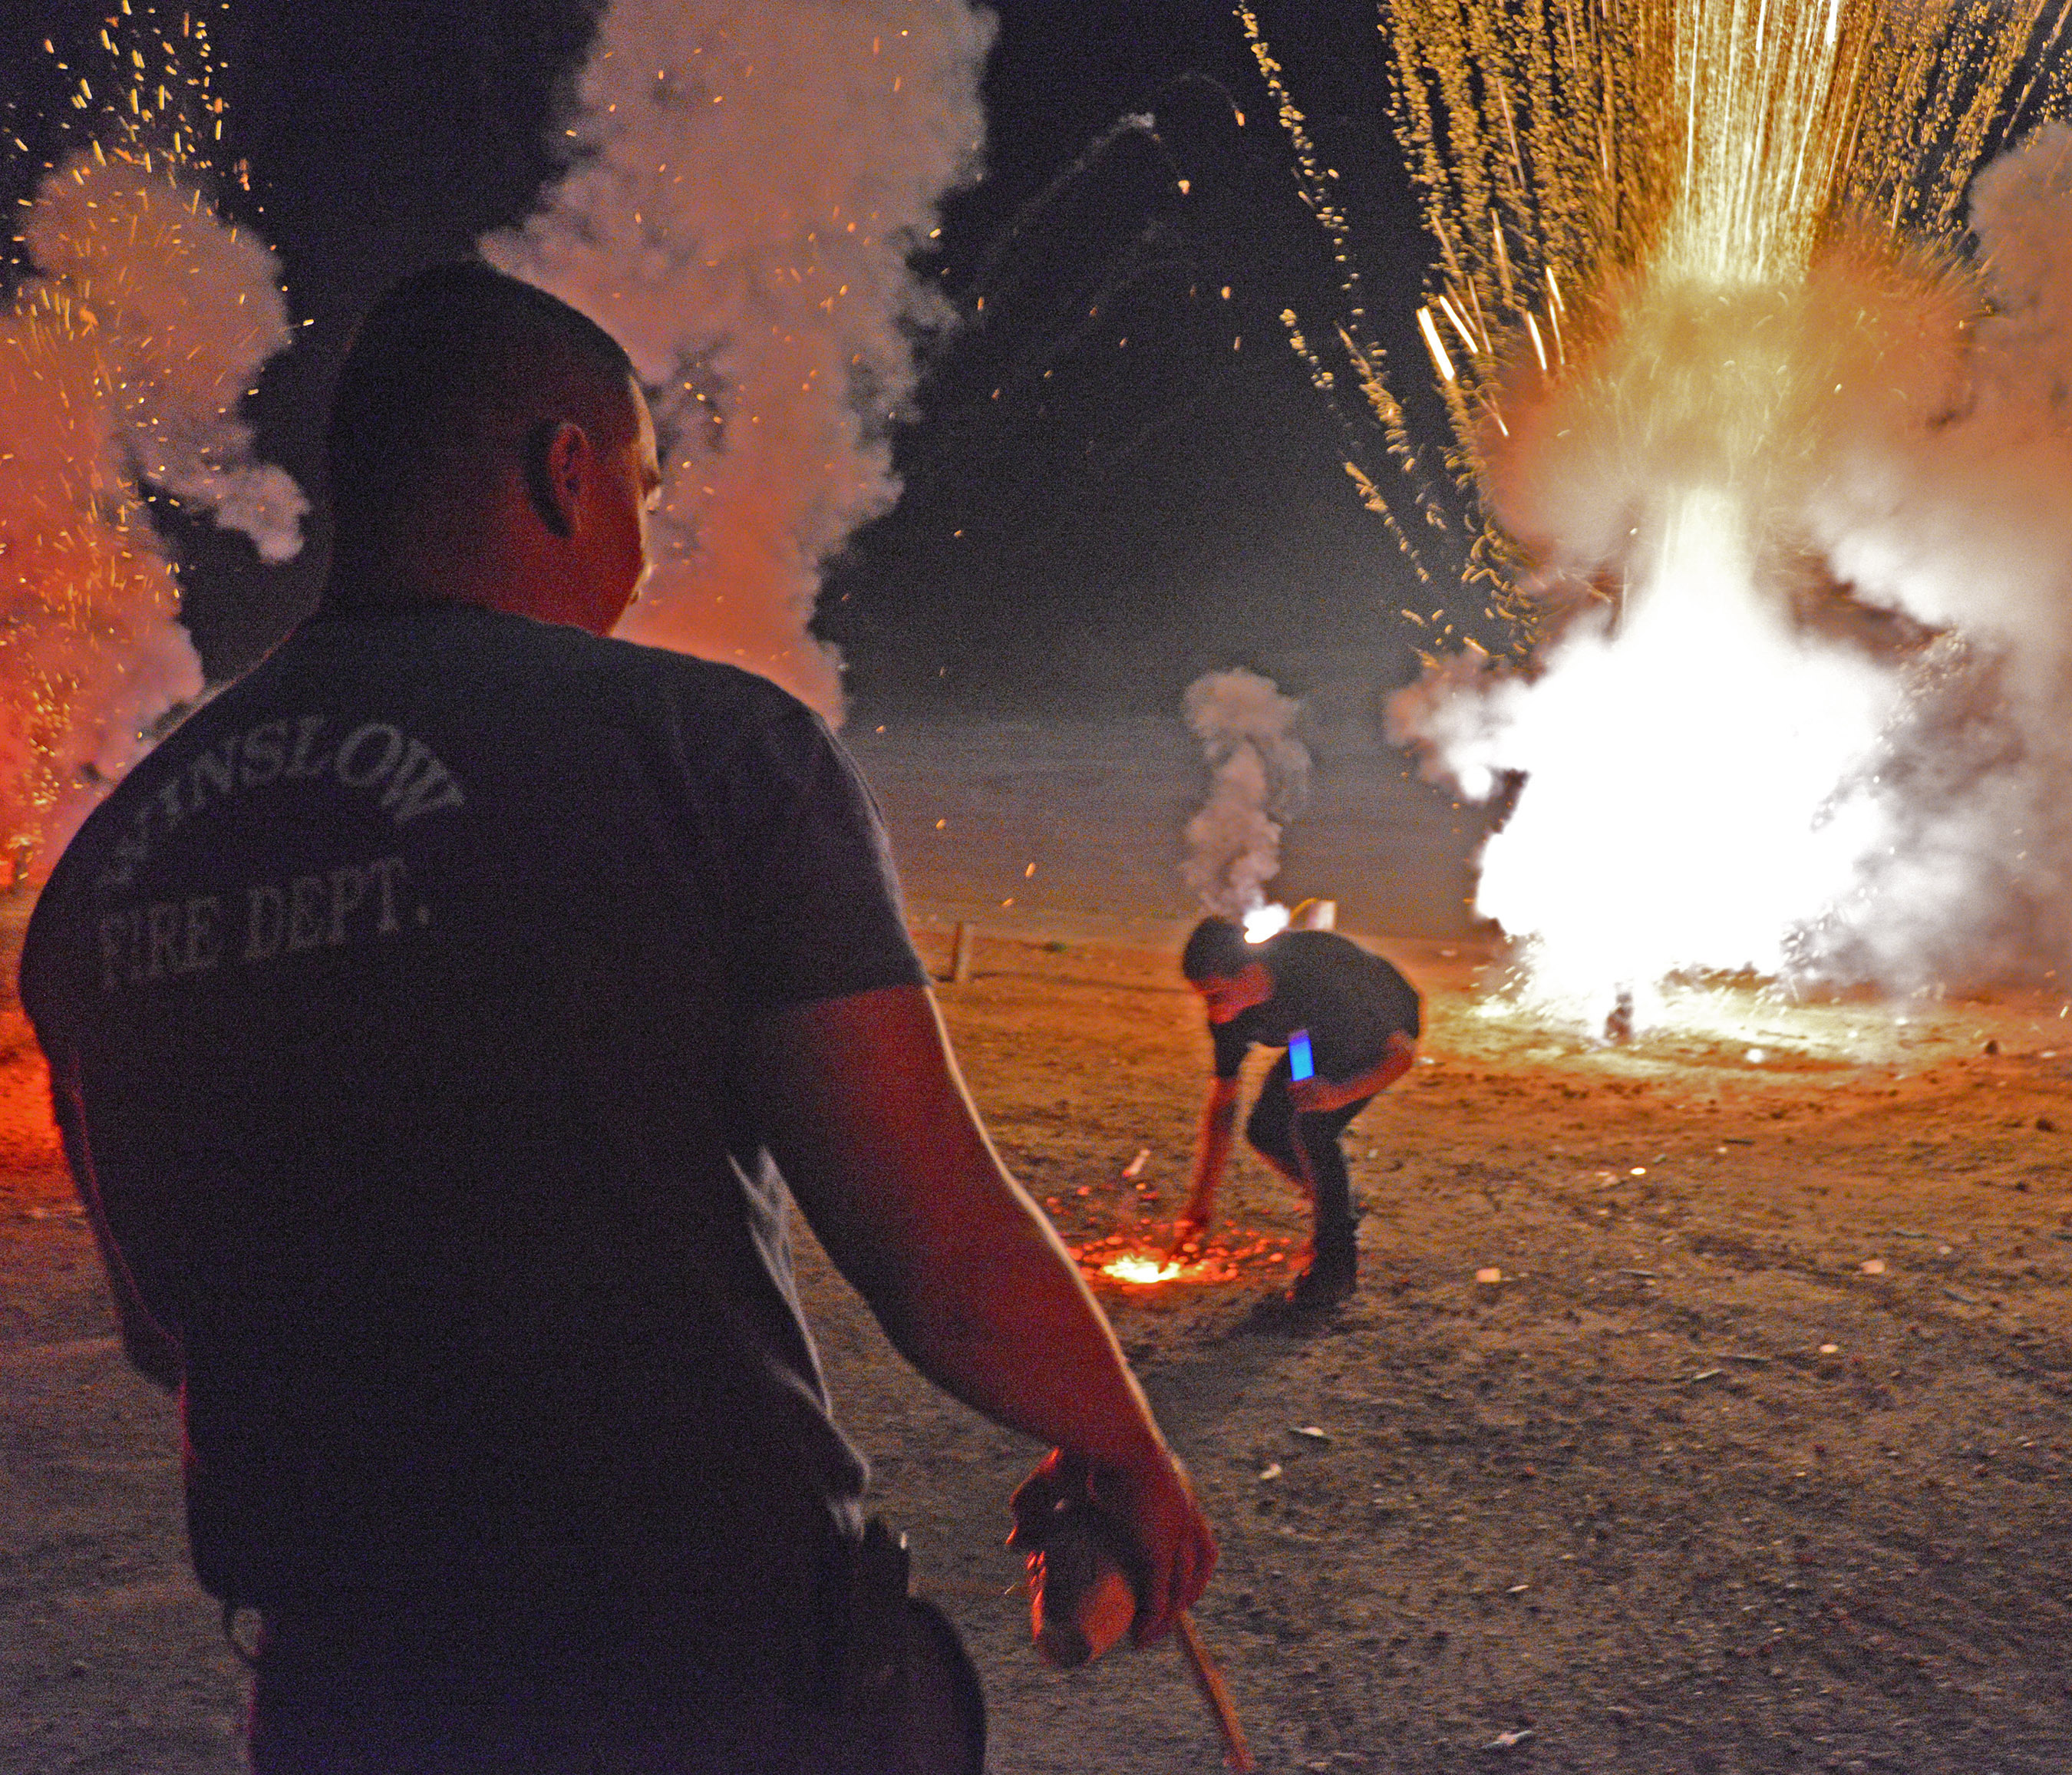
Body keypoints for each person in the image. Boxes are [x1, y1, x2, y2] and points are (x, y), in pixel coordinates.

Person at [18, 262, 1213, 1774]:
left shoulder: (116, 863)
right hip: (699, 1684)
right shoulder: (707, 750)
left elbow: (160, 1333)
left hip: (345, 1700)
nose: (647, 544)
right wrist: (1127, 1445)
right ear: (564, 469)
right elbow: (947, 1261)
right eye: (647, 486)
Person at [1172, 915, 1420, 1307]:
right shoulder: (1233, 1016)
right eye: (1205, 997)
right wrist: (1199, 1206)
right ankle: (1335, 1205)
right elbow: (1223, 1108)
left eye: (1218, 995)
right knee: (1266, 1131)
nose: (1215, 1013)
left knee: (1313, 1124)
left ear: (1251, 973)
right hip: (1304, 1037)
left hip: (1376, 1027)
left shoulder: (1323, 972)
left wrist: (1341, 1093)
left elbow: (1401, 1055)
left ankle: (1334, 1268)